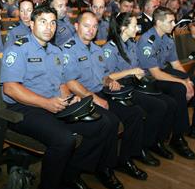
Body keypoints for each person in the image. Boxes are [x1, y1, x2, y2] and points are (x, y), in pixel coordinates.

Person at [1, 5, 122, 189]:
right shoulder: (17, 49)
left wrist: (69, 97)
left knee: (102, 124)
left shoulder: (56, 51)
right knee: (64, 140)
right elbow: (10, 88)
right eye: (43, 22)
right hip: (25, 109)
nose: (49, 27)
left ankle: (70, 175)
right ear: (31, 23)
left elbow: (61, 82)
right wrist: (46, 103)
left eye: (53, 22)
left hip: (54, 103)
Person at [63, 11, 149, 180]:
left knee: (135, 113)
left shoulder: (96, 49)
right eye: (86, 26)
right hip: (83, 98)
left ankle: (125, 159)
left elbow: (104, 75)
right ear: (76, 26)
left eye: (95, 26)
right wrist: (94, 98)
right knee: (110, 121)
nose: (91, 30)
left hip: (101, 91)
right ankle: (100, 168)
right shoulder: (68, 49)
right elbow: (70, 82)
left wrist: (110, 80)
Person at [137, 7, 195, 160]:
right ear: (158, 22)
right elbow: (155, 74)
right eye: (170, 21)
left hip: (164, 72)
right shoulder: (147, 40)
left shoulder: (168, 38)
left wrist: (187, 78)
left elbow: (176, 65)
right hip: (149, 79)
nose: (174, 24)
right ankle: (178, 136)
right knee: (179, 89)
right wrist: (182, 82)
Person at [103, 12, 181, 164]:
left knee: (170, 103)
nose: (138, 29)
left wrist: (137, 73)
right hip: (120, 89)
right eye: (134, 25)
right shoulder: (109, 48)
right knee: (157, 106)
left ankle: (156, 142)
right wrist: (131, 72)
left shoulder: (131, 44)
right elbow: (106, 77)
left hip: (135, 84)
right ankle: (140, 148)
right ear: (124, 28)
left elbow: (137, 66)